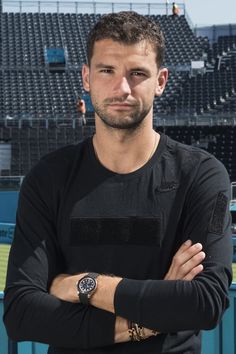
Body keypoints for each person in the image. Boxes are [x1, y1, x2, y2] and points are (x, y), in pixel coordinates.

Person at [3, 11, 232, 354]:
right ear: (86, 77)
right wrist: (148, 319)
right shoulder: (49, 178)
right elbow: (21, 312)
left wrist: (86, 285)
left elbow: (205, 301)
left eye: (137, 73)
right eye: (107, 70)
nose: (121, 88)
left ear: (161, 80)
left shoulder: (201, 175)